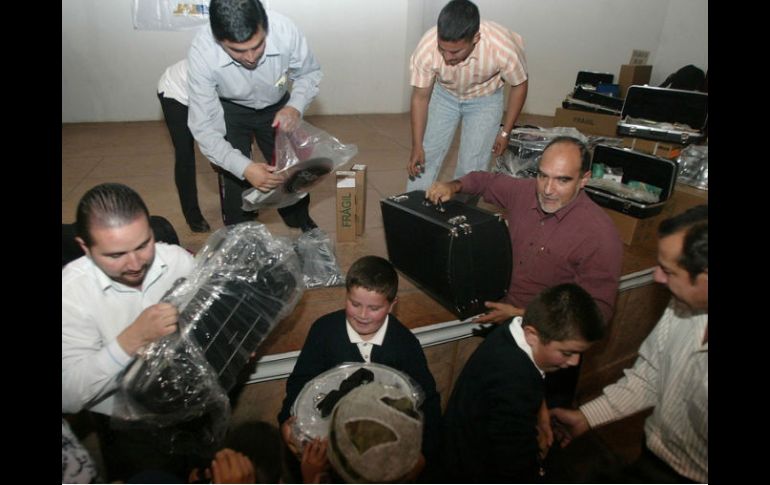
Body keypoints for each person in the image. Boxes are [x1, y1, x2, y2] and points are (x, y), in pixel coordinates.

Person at [426, 135, 623, 408]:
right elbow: (486, 181)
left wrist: (523, 315)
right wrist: (454, 185)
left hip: (550, 348)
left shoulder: (600, 235)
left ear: (584, 179)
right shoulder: (525, 191)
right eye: (543, 176)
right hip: (503, 326)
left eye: (562, 180)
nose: (548, 189)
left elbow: (597, 315)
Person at [550, 205, 708, 483]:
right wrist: (586, 417)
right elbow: (650, 375)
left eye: (668, 271)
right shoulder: (682, 305)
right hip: (653, 455)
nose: (656, 277)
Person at [62, 183, 196, 481]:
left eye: (143, 245)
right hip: (128, 426)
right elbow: (68, 394)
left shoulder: (177, 260)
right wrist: (132, 339)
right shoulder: (70, 294)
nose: (135, 264)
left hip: (192, 401)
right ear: (84, 246)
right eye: (116, 255)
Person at [277, 255, 442, 475]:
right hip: (332, 446)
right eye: (355, 304)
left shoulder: (404, 342)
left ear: (392, 305)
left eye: (374, 308)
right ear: (346, 295)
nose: (363, 316)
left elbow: (428, 400)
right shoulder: (324, 331)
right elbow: (300, 383)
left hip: (379, 449)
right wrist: (287, 424)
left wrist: (424, 454)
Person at [441, 283, 605, 482]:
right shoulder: (515, 382)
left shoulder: (511, 330)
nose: (575, 362)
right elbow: (514, 464)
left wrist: (540, 408)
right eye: (567, 353)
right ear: (532, 335)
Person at [187, 0, 322, 230]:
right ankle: (242, 236)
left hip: (278, 106)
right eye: (237, 51)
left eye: (258, 46)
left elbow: (309, 73)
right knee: (235, 180)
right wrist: (245, 168)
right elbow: (205, 129)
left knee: (291, 169)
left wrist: (295, 106)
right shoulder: (202, 52)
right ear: (219, 40)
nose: (250, 57)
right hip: (231, 109)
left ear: (265, 27)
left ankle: (300, 221)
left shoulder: (285, 30)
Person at [406, 0, 528, 192]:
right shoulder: (427, 48)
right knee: (425, 155)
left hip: (485, 99)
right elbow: (420, 98)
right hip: (445, 95)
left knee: (472, 166)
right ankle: (413, 212)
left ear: (476, 38)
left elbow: (519, 85)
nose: (447, 57)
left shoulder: (501, 47)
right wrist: (416, 145)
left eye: (455, 51)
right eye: (442, 49)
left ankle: (459, 216)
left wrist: (505, 132)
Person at [157, 59, 211, 233]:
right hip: (175, 91)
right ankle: (193, 216)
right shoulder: (213, 68)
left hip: (203, 93)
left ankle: (241, 204)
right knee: (185, 154)